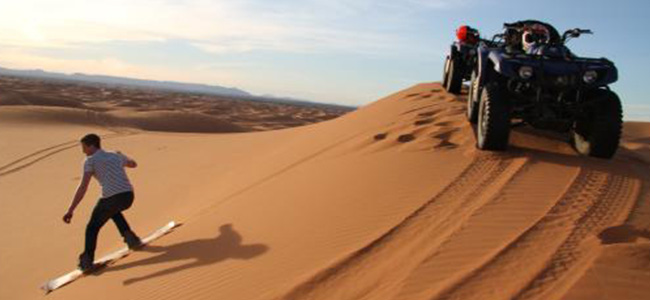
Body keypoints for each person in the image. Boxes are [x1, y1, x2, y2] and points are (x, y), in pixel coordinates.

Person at [63, 133, 142, 271]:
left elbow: (83, 187)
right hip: (128, 196)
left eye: (84, 147)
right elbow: (134, 164)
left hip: (111, 197)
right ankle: (130, 238)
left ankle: (87, 261)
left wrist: (71, 209)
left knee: (92, 227)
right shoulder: (115, 155)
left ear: (92, 145)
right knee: (112, 211)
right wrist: (122, 155)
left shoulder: (90, 161)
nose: (83, 151)